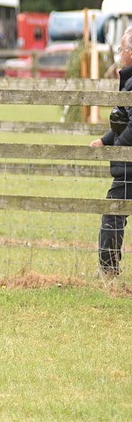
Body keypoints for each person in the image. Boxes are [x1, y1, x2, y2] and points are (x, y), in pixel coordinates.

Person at [92, 28, 132, 276]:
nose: (119, 54)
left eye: (121, 49)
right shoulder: (128, 80)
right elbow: (124, 120)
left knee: (114, 212)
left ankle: (107, 270)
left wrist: (118, 149)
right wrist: (105, 140)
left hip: (130, 165)